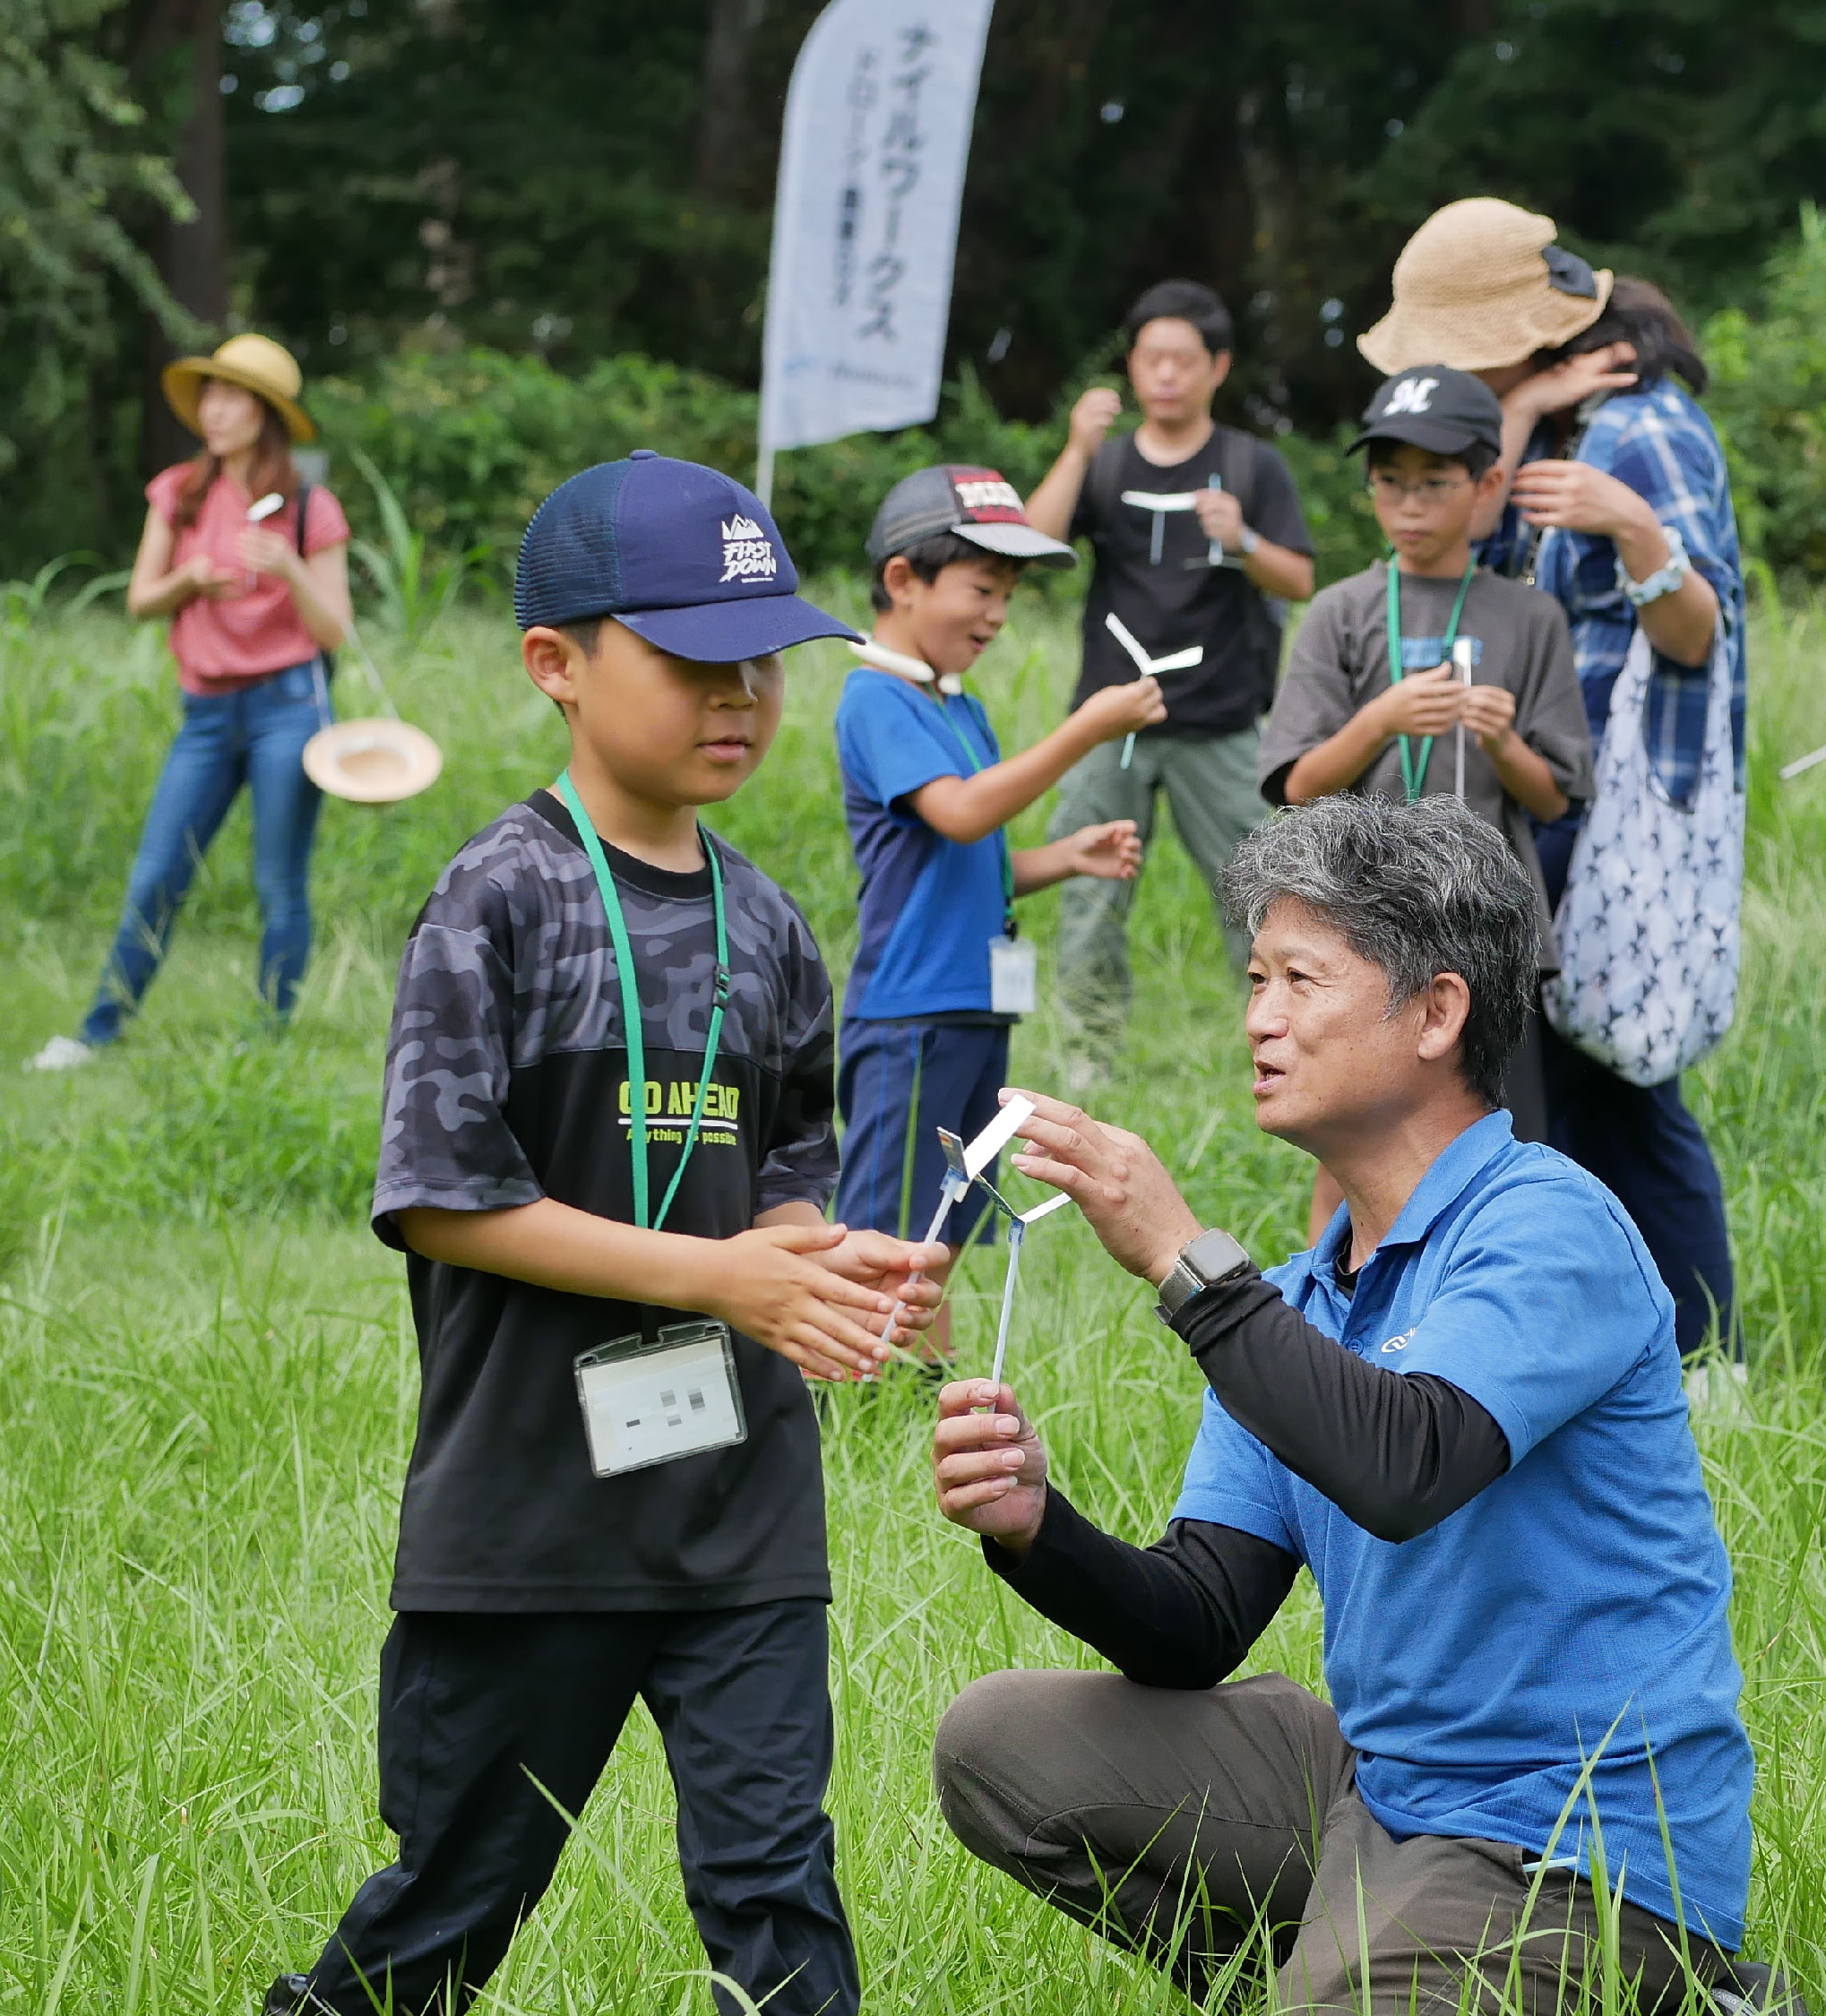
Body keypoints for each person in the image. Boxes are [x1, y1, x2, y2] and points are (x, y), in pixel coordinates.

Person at [271, 452, 943, 2016]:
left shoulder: (771, 926)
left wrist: (818, 1261)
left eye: (763, 661)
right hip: (530, 1523)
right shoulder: (497, 901)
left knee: (778, 1889)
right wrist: (727, 1278)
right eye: (695, 661)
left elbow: (793, 1159)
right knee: (449, 1904)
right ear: (556, 667)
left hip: (736, 1512)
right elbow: (444, 1194)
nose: (744, 697)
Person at [923, 793, 1779, 2015]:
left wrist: (1180, 1257)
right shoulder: (1299, 1301)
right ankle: (1338, 1975)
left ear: (1437, 1011)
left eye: (1299, 981)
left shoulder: (1548, 1223)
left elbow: (1408, 1464)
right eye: (1255, 977)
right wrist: (1033, 1524)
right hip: (1383, 1792)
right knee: (1000, 1745)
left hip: (1576, 1848)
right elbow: (1200, 1616)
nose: (1258, 1018)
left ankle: (1678, 1994)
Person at [1361, 198, 1748, 1363]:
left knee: (1623, 1082)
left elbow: (1702, 628)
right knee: (1562, 1090)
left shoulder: (1641, 434)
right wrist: (1521, 415)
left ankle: (1702, 1356)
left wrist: (1633, 525)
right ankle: (1610, 1346)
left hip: (1607, 801)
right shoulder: (1546, 422)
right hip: (1530, 795)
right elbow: (1453, 561)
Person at [1258, 362, 1590, 1161]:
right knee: (1351, 1144)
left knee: (1492, 1140)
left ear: (1488, 486)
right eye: (1390, 481)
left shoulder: (1530, 616)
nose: (1410, 504)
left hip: (1491, 930)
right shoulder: (1343, 610)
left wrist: (1505, 744)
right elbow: (1298, 788)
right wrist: (1381, 720)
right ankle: (1332, 1291)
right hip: (1362, 927)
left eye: (1436, 483)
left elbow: (1553, 802)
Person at [831, 465, 1154, 1281]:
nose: (997, 616)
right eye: (981, 589)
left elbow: (976, 856)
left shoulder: (955, 704)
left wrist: (1064, 858)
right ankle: (856, 1394)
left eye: (1008, 595)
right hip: (912, 1012)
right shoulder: (875, 699)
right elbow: (964, 812)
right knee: (888, 1230)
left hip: (976, 1008)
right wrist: (1085, 729)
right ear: (903, 580)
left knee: (943, 1222)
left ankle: (922, 1392)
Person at [1019, 280, 1320, 1084]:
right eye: (1151, 358)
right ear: (1133, 365)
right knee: (1089, 895)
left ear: (1218, 367)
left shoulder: (1251, 466)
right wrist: (1078, 449)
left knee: (1258, 898)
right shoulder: (1108, 461)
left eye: (1183, 360)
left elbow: (1298, 579)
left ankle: (1279, 1055)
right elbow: (1030, 546)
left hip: (1219, 724)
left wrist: (1243, 538)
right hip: (1108, 723)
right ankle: (1089, 1060)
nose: (1165, 376)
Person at [31, 334, 350, 1069]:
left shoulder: (310, 505)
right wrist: (191, 580)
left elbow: (334, 625)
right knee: (156, 876)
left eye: (234, 397)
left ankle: (268, 1039)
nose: (216, 409)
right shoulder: (179, 491)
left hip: (288, 709)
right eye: (210, 393)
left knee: (277, 883)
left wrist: (288, 567)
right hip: (204, 715)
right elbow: (142, 600)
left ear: (267, 415)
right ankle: (96, 1033)